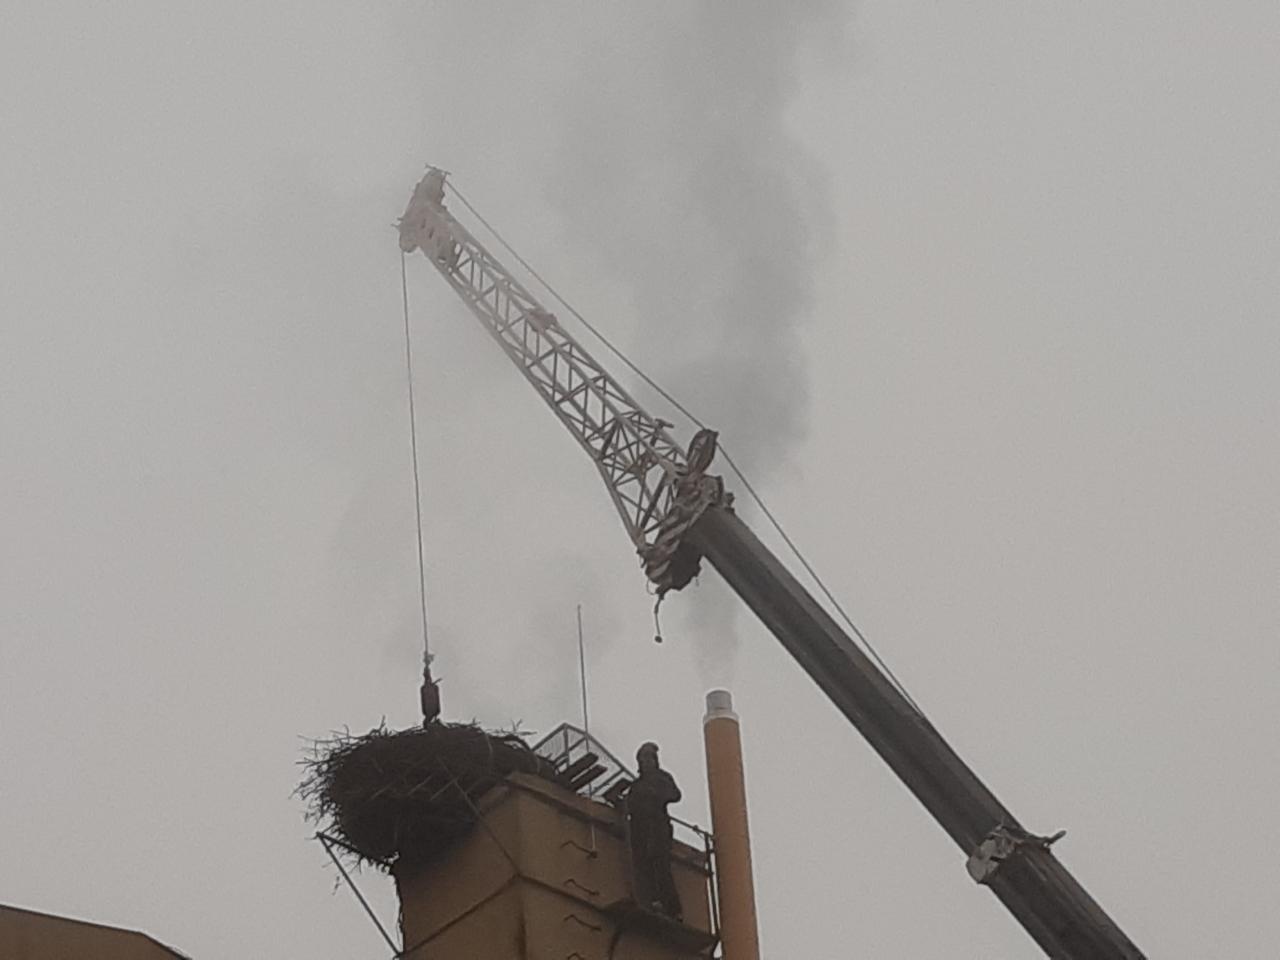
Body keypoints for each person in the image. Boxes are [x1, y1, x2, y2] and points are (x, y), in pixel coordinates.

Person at [624, 741, 683, 920]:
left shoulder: (662, 778)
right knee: (644, 868)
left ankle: (672, 908)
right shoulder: (637, 785)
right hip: (641, 831)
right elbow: (630, 805)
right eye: (643, 759)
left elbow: (675, 795)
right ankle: (652, 901)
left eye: (649, 758)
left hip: (658, 829)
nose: (646, 762)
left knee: (661, 867)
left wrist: (656, 794)